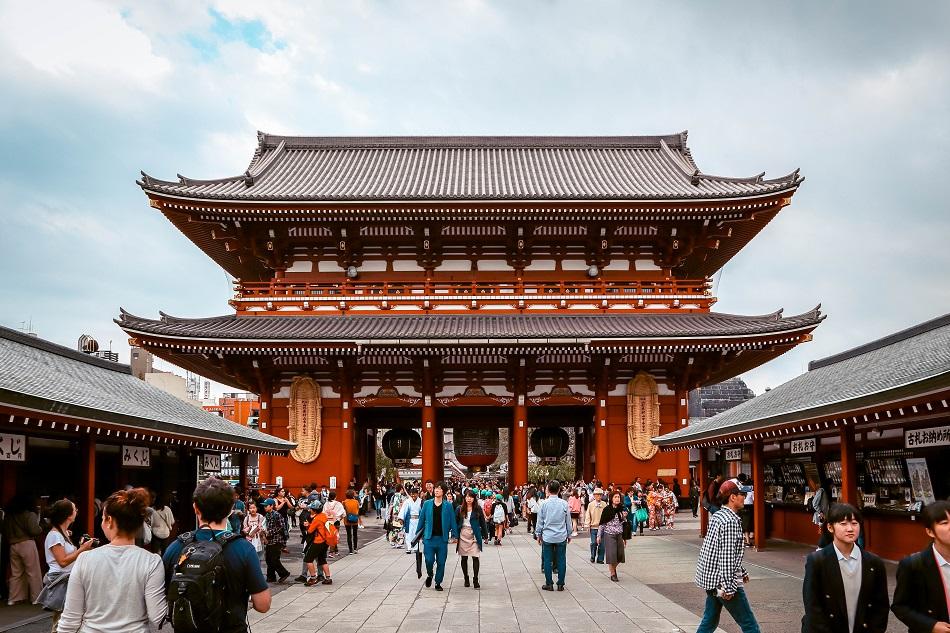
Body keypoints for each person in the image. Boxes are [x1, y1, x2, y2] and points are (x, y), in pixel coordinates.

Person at [163, 477, 270, 633]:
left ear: (195, 508)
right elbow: (263, 604)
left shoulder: (177, 546)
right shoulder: (242, 548)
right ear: (230, 510)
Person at [58, 488, 166, 632]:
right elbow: (157, 617)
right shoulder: (152, 562)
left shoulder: (85, 559)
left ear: (109, 520)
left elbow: (70, 619)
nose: (102, 523)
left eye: (103, 518)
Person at [801, 503, 888, 633]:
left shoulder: (874, 563)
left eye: (854, 523)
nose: (850, 529)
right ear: (830, 527)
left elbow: (881, 606)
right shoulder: (817, 561)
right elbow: (812, 605)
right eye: (843, 524)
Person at [694, 479, 760, 633]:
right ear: (732, 497)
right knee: (750, 625)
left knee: (709, 621)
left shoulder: (718, 516)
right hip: (724, 581)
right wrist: (729, 587)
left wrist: (741, 571)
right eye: (742, 494)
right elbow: (726, 558)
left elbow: (721, 552)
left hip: (711, 579)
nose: (745, 497)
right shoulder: (730, 521)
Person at [892, 499, 950, 633]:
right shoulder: (913, 564)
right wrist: (930, 625)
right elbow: (900, 606)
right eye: (944, 523)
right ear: (930, 532)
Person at [37, 499, 95, 631]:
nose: (77, 512)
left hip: (66, 578)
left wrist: (80, 547)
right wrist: (82, 549)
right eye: (75, 509)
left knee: (65, 617)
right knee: (61, 619)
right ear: (68, 515)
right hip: (61, 579)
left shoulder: (63, 534)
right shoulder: (55, 535)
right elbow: (62, 561)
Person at [414, 481, 458, 591]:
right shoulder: (427, 504)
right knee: (428, 560)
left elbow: (453, 520)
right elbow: (422, 519)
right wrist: (418, 534)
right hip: (429, 538)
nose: (436, 490)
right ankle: (430, 574)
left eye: (439, 488)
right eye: (436, 488)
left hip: (442, 539)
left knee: (441, 562)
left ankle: (438, 582)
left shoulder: (448, 505)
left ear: (443, 492)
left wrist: (454, 535)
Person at [4, 493, 43, 606]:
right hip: (27, 543)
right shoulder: (29, 514)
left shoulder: (9, 516)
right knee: (33, 572)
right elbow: (34, 530)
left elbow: (4, 530)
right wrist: (41, 527)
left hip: (13, 545)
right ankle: (36, 598)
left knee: (16, 573)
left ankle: (13, 598)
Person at [535, 480, 571, 591]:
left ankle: (549, 583)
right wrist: (569, 533)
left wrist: (538, 534)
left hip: (548, 535)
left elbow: (540, 521)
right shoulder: (564, 503)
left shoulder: (544, 504)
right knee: (561, 559)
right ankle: (560, 583)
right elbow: (568, 521)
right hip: (561, 535)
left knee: (547, 560)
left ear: (548, 490)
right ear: (559, 490)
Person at [456, 489, 487, 589]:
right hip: (463, 534)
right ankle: (466, 578)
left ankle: (476, 579)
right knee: (464, 557)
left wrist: (485, 535)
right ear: (464, 498)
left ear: (474, 498)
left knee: (475, 557)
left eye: (471, 497)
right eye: (467, 496)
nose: (469, 499)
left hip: (474, 534)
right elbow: (456, 522)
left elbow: (483, 522)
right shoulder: (460, 509)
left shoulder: (478, 509)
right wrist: (454, 534)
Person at [598, 491, 630, 582]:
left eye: (619, 497)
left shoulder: (622, 509)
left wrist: (625, 537)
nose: (617, 499)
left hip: (619, 534)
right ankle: (613, 574)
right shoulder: (607, 509)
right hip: (609, 534)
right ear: (611, 499)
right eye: (615, 497)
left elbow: (624, 523)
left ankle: (613, 568)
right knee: (612, 555)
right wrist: (599, 536)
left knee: (620, 556)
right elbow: (602, 524)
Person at [303, 501, 333, 586]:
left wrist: (307, 525)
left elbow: (309, 531)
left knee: (308, 559)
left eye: (311, 509)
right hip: (325, 541)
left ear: (314, 510)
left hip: (318, 541)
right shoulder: (323, 516)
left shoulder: (316, 519)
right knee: (322, 559)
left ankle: (313, 578)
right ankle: (328, 578)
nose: (310, 510)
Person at [261, 498, 290, 583]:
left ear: (272, 506)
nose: (265, 507)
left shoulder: (277, 515)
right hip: (269, 540)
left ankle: (284, 573)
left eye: (266, 506)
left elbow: (281, 527)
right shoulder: (267, 515)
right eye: (264, 506)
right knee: (268, 559)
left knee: (274, 559)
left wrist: (269, 532)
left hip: (277, 540)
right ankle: (271, 577)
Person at [401, 487, 424, 577]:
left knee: (417, 534)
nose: (413, 496)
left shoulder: (421, 501)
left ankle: (415, 548)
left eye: (414, 494)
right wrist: (401, 518)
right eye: (412, 494)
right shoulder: (407, 501)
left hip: (418, 519)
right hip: (410, 519)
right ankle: (409, 547)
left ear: (417, 494)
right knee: (409, 533)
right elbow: (403, 510)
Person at [585, 487, 606, 564]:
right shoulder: (591, 505)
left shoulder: (604, 504)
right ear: (594, 495)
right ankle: (592, 556)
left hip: (603, 527)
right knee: (594, 543)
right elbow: (588, 515)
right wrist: (587, 525)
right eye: (597, 495)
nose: (599, 496)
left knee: (602, 544)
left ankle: (600, 559)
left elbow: (607, 515)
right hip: (593, 527)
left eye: (600, 495)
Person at [809, 479, 832, 549]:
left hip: (825, 515)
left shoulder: (825, 492)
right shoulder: (821, 491)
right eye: (831, 484)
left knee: (824, 531)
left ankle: (823, 547)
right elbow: (814, 503)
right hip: (821, 516)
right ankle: (821, 547)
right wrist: (820, 512)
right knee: (823, 531)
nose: (832, 486)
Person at [323, 491, 344, 557]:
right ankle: (331, 552)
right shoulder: (338, 504)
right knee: (334, 536)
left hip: (328, 522)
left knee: (331, 536)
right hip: (336, 521)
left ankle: (336, 550)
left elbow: (323, 513)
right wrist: (339, 518)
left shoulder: (326, 504)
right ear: (335, 497)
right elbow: (343, 513)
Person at [342, 489, 363, 554]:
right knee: (355, 534)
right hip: (355, 519)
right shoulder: (356, 502)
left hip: (347, 519)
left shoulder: (344, 502)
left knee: (349, 534)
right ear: (353, 495)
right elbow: (358, 510)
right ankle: (355, 548)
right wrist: (360, 520)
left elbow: (343, 511)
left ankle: (350, 550)